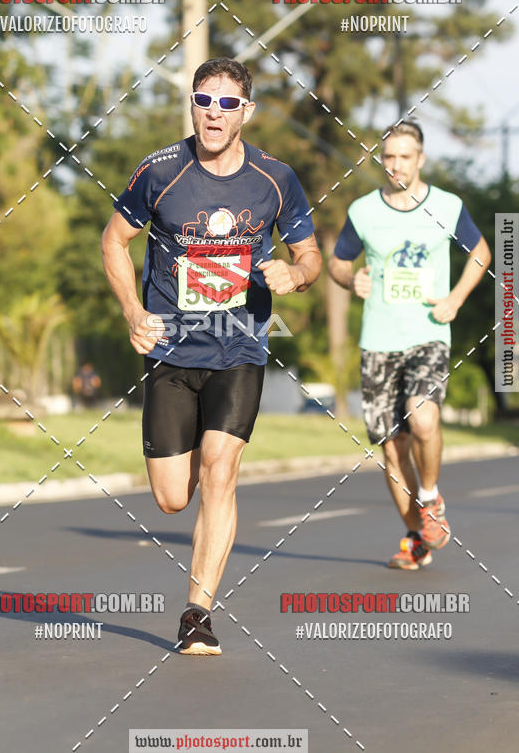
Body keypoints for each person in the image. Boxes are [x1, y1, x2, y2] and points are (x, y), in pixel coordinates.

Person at [101, 57, 322, 652]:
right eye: (204, 100)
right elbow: (114, 240)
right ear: (192, 105)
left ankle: (197, 612)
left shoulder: (276, 179)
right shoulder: (160, 172)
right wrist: (132, 312)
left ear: (246, 111)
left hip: (240, 348)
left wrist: (295, 275)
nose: (214, 113)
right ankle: (192, 447)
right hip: (172, 351)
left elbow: (311, 255)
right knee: (174, 498)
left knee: (221, 472)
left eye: (228, 103)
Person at [328, 120, 490, 570]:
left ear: (421, 159)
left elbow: (481, 252)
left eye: (405, 156)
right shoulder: (363, 211)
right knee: (393, 450)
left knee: (422, 415)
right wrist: (350, 278)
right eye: (389, 156)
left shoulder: (447, 206)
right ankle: (417, 538)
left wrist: (455, 298)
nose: (395, 164)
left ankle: (431, 496)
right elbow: (337, 263)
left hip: (428, 333)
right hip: (378, 341)